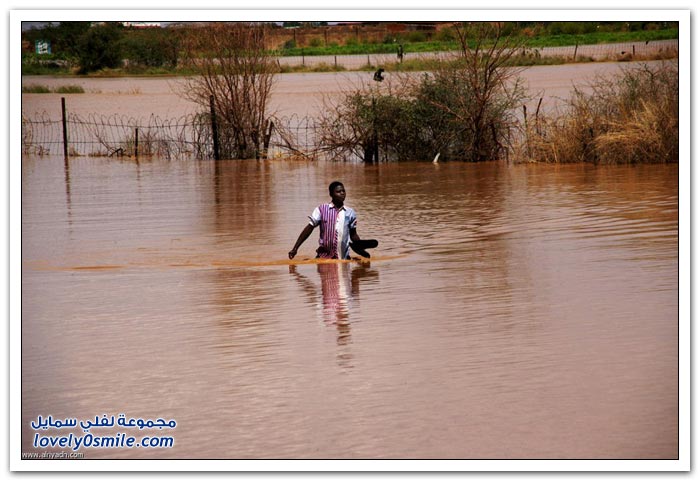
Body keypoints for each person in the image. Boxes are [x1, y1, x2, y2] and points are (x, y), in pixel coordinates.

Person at [289, 181, 361, 260]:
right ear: (331, 194)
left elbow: (353, 235)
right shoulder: (321, 209)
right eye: (338, 191)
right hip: (323, 258)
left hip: (343, 258)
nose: (342, 193)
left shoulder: (350, 212)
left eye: (343, 191)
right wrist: (295, 248)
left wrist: (362, 251)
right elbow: (309, 228)